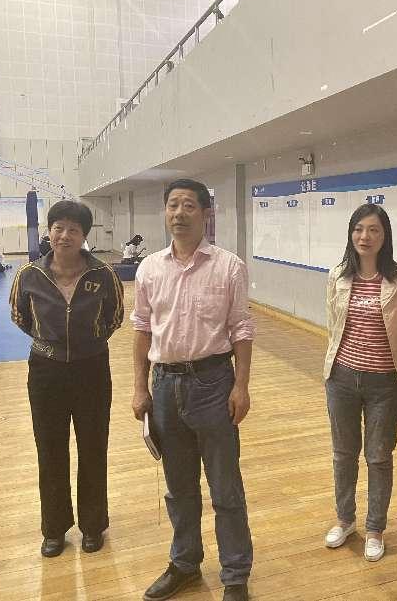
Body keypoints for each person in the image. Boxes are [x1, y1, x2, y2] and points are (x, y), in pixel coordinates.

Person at [131, 178, 254, 601]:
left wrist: (241, 385)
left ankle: (235, 574)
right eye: (172, 205)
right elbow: (142, 329)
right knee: (178, 486)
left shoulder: (228, 266)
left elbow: (241, 328)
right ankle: (184, 563)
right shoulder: (150, 268)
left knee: (225, 487)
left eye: (188, 205)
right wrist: (139, 387)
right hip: (165, 386)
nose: (179, 213)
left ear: (206, 213)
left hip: (214, 383)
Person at [9, 200, 124, 558]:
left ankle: (93, 525)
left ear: (84, 235)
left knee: (93, 446)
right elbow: (20, 316)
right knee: (50, 449)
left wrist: (88, 342)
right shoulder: (29, 275)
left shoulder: (103, 274)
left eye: (74, 229)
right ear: (49, 231)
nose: (65, 235)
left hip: (92, 369)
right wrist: (51, 343)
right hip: (46, 371)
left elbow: (115, 317)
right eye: (58, 227)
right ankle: (54, 528)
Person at [322, 204, 397, 561]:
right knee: (343, 454)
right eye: (359, 229)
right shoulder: (338, 275)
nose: (365, 236)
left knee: (378, 456)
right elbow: (333, 326)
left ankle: (375, 528)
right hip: (342, 378)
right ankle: (345, 520)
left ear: (385, 235)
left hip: (385, 383)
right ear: (351, 233)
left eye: (374, 230)